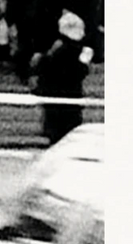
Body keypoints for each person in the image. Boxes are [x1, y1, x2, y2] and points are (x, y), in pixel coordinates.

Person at [31, 8, 96, 144]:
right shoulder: (76, 52)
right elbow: (79, 72)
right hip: (68, 98)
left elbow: (41, 68)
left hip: (55, 98)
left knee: (56, 133)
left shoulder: (55, 51)